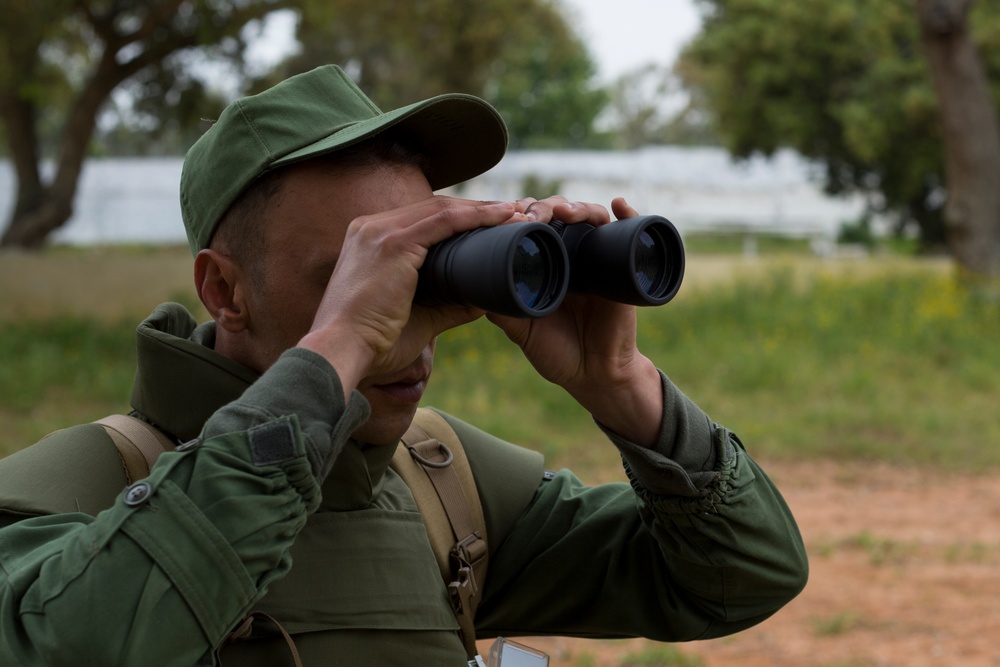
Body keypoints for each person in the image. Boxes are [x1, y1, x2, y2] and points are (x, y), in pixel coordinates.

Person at [0, 65, 807, 666]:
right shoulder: (76, 484)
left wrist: (627, 389)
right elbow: (75, 647)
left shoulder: (441, 484)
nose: (404, 320)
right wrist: (340, 345)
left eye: (429, 264)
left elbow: (742, 574)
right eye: (354, 272)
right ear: (225, 289)